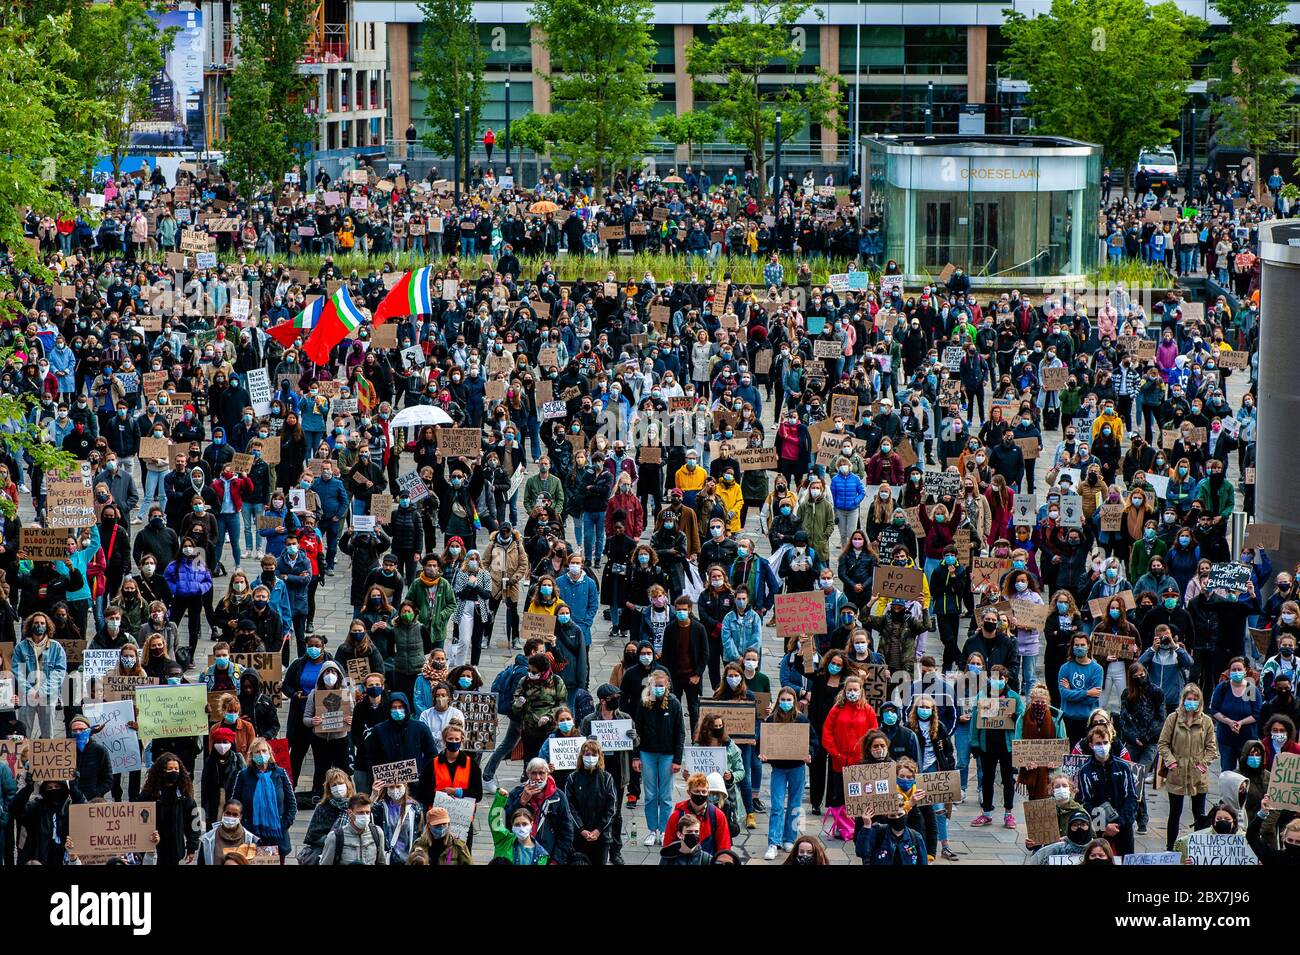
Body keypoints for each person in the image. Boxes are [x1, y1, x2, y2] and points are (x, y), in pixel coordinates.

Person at [1157, 682, 1218, 852]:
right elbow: (1163, 744)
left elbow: (1212, 748)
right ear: (1183, 700)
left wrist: (1203, 764)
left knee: (1199, 814)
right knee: (1174, 813)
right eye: (1188, 699)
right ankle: (1170, 848)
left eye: (1195, 699)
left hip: (1198, 775)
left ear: (1200, 702)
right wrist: (1171, 761)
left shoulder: (1206, 721)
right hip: (1177, 772)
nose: (1191, 702)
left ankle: (1197, 849)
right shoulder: (1173, 718)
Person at [821, 673, 879, 840]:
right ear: (844, 690)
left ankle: (859, 826)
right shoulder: (836, 709)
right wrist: (835, 753)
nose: (852, 692)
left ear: (861, 691)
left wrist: (867, 754)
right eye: (850, 689)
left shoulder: (867, 710)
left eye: (855, 689)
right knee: (839, 794)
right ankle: (842, 826)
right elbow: (827, 732)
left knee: (860, 795)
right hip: (840, 761)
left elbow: (873, 734)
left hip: (861, 762)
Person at [632, 668, 684, 846]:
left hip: (668, 755)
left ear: (667, 685)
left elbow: (680, 733)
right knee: (650, 794)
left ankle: (664, 830)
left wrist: (678, 759)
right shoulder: (644, 703)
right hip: (647, 753)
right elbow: (637, 729)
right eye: (655, 686)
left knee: (666, 795)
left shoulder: (674, 704)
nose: (658, 689)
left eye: (661, 686)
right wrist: (636, 756)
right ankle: (652, 829)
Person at [760, 685, 812, 860]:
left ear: (794, 701)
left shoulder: (802, 720)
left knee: (794, 805)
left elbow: (813, 740)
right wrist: (762, 754)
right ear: (778, 701)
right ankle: (773, 843)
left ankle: (790, 838)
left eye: (789, 700)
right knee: (776, 806)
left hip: (797, 767)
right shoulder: (771, 720)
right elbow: (761, 743)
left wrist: (810, 753)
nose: (786, 702)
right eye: (783, 700)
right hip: (778, 769)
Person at [1076, 722, 1139, 855]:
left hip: (1124, 826)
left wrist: (1120, 823)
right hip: (1100, 828)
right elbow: (1086, 802)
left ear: (1110, 743)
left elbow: (1132, 797)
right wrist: (1104, 825)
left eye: (1105, 742)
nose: (1102, 746)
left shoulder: (1123, 767)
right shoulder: (1085, 771)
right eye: (1098, 744)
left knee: (1126, 861)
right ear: (1091, 745)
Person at [230, 736, 296, 861]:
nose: (261, 754)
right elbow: (235, 803)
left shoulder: (280, 773)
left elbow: (291, 802)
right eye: (257, 752)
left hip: (277, 834)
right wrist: (244, 826)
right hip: (253, 834)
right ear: (252, 755)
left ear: (269, 753)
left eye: (264, 751)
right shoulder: (243, 775)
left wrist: (285, 824)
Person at [504, 759, 573, 863]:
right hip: (519, 852)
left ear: (548, 774)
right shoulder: (517, 793)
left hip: (547, 853)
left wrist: (556, 860)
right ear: (528, 774)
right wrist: (521, 802)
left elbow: (567, 831)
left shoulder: (558, 797)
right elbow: (504, 822)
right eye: (534, 773)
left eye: (541, 773)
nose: (538, 778)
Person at [139, 754, 201, 865]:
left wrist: (192, 847)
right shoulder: (149, 794)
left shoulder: (184, 795)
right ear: (161, 771)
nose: (174, 772)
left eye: (176, 769)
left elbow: (193, 823)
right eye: (170, 769)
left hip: (175, 849)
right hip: (154, 847)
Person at [565, 739, 618, 864]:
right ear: (581, 756)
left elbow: (612, 808)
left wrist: (599, 830)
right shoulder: (573, 778)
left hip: (602, 836)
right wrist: (581, 829)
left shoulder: (607, 778)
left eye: (594, 755)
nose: (590, 758)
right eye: (587, 754)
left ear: (599, 757)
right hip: (579, 837)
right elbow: (569, 807)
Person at [1210, 656, 1261, 771]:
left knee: (1248, 770)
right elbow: (1215, 710)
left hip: (1246, 738)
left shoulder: (1249, 689)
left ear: (1245, 671)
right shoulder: (1223, 688)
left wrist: (1241, 723)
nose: (1237, 672)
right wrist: (1229, 722)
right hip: (1226, 738)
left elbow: (1256, 714)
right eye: (1234, 670)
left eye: (1239, 669)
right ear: (1229, 671)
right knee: (1227, 770)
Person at [489, 787, 552, 865]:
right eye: (517, 825)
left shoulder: (541, 855)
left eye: (524, 824)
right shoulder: (504, 840)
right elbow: (494, 821)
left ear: (531, 824)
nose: (521, 827)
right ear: (512, 826)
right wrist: (500, 799)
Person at [319, 795, 388, 865]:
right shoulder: (335, 837)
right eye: (360, 812)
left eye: (367, 812)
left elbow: (381, 862)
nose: (365, 816)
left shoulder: (377, 833)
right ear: (350, 813)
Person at [197, 799, 260, 864]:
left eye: (235, 814)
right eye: (228, 813)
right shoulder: (208, 839)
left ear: (240, 816)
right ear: (223, 813)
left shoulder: (250, 840)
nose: (231, 817)